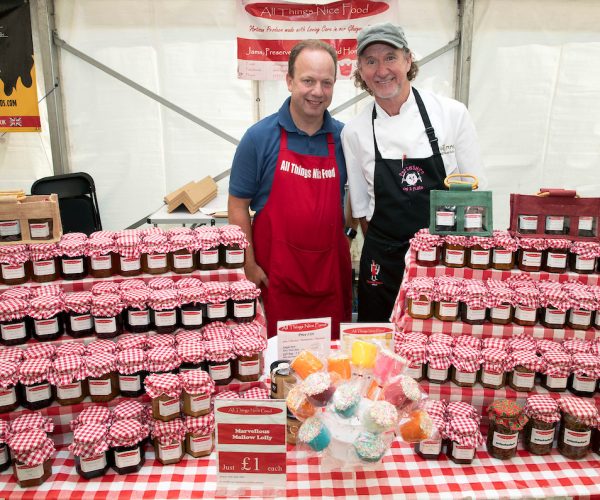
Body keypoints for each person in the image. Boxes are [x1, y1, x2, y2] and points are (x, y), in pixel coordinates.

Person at [341, 23, 486, 322]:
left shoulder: (452, 114)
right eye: (370, 61)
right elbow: (362, 209)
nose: (381, 70)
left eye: (390, 57)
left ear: (408, 60)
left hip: (444, 259)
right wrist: (388, 251)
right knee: (379, 345)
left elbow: (476, 200)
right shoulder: (354, 132)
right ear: (361, 72)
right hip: (385, 261)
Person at [228, 39, 352, 339]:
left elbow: (357, 201)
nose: (317, 92)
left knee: (333, 372)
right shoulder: (259, 137)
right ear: (289, 81)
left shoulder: (346, 138)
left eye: (326, 82)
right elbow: (236, 205)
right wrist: (249, 265)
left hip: (329, 280)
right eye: (308, 81)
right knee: (278, 371)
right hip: (276, 280)